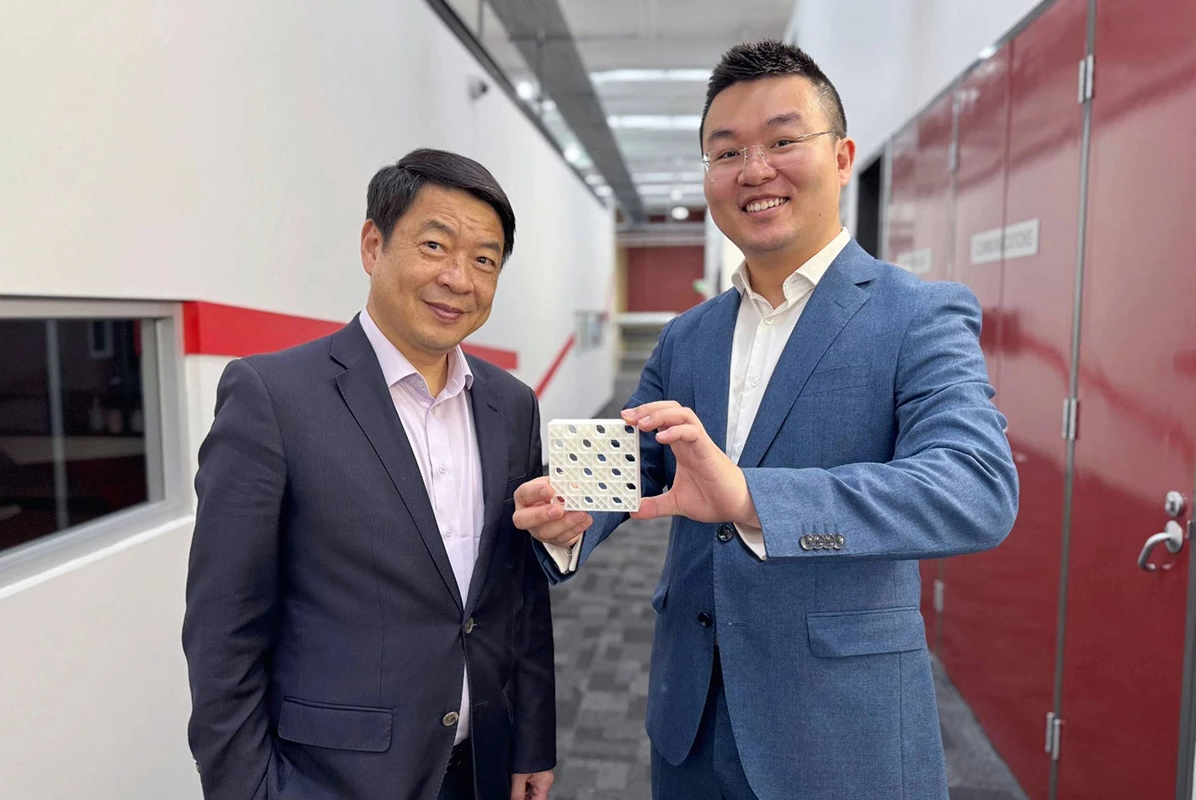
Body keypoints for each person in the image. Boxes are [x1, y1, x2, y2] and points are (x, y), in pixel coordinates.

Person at [514, 41, 1018, 800]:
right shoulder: (689, 335)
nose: (755, 170)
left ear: (843, 157)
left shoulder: (917, 315)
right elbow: (641, 471)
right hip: (688, 717)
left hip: (838, 734)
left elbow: (974, 489)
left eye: (784, 141)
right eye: (728, 151)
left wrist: (752, 499)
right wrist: (574, 514)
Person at [183, 149, 555, 800]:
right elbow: (223, 628)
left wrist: (532, 740)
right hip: (334, 779)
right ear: (372, 244)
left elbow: (519, 596)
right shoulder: (273, 396)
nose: (458, 278)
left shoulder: (512, 404)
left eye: (484, 260)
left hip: (482, 766)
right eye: (435, 245)